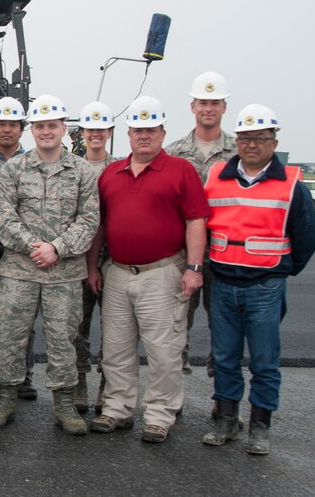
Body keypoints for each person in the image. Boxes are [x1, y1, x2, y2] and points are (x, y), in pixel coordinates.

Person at [87, 95, 210, 443]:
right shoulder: (112, 172)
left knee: (163, 350)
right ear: (128, 134)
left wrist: (194, 268)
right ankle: (116, 409)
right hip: (118, 272)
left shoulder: (181, 171)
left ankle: (159, 415)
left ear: (162, 132)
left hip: (162, 272)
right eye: (138, 129)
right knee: (116, 348)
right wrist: (93, 266)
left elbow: (196, 221)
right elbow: (100, 225)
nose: (144, 135)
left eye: (151, 129)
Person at [200, 104, 315, 455]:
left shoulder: (291, 183)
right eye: (245, 138)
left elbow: (306, 236)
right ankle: (225, 422)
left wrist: (281, 270)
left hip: (265, 286)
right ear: (236, 141)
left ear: (273, 141)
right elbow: (202, 224)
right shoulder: (217, 175)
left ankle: (260, 427)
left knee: (264, 362)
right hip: (222, 282)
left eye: (260, 139)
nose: (251, 145)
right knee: (224, 357)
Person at [0, 95, 99, 434]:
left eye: (52, 125)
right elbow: (3, 216)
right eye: (40, 126)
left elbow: (89, 219)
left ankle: (64, 402)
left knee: (64, 339)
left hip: (63, 273)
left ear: (64, 128)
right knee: (10, 336)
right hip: (20, 270)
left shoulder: (81, 171)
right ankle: (6, 397)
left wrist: (56, 249)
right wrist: (36, 248)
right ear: (31, 130)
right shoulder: (15, 169)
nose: (46, 131)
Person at [166, 71, 235, 377]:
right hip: (183, 253)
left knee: (225, 327)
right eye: (203, 102)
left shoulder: (238, 153)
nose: (209, 108)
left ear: (224, 107)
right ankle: (173, 395)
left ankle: (224, 398)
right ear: (192, 106)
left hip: (225, 253)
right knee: (177, 326)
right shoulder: (174, 153)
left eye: (215, 102)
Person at [0, 97, 35, 401]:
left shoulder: (34, 160)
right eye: (1, 124)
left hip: (21, 250)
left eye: (13, 124)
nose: (7, 129)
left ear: (21, 128)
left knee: (21, 313)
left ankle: (23, 375)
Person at [74, 101, 115, 415]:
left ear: (110, 132)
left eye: (101, 129)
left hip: (113, 259)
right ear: (82, 133)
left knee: (115, 330)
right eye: (90, 130)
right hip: (77, 259)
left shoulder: (120, 169)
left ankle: (108, 390)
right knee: (78, 327)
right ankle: (79, 385)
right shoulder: (72, 170)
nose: (96, 135)